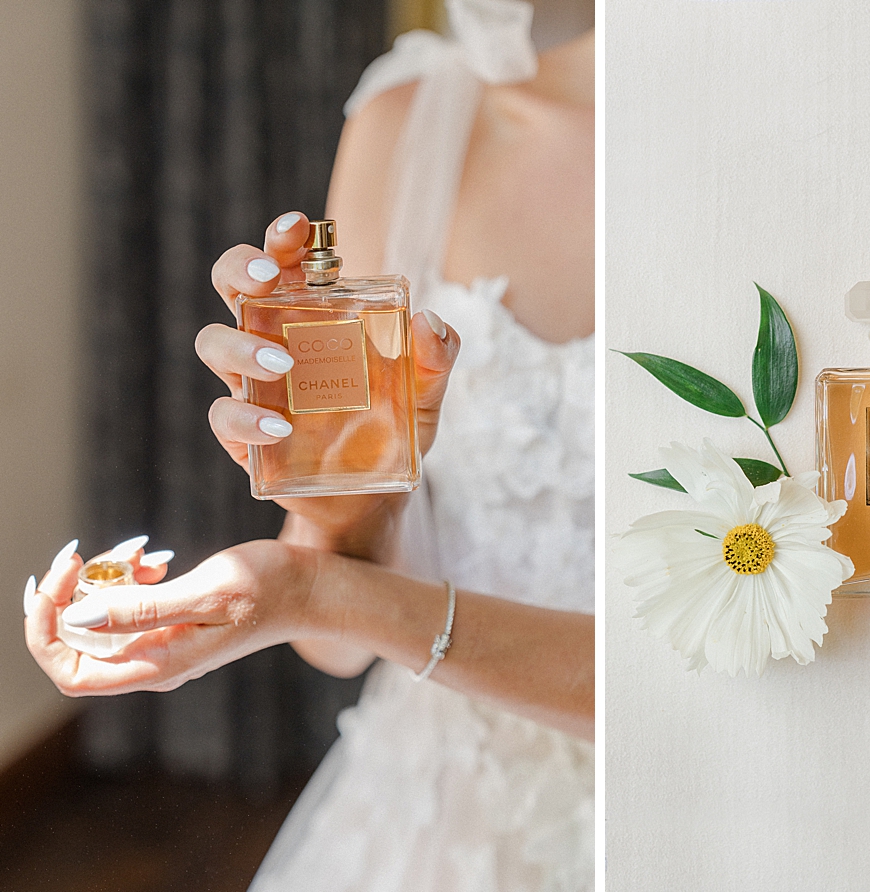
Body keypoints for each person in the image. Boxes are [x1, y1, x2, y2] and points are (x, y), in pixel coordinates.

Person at [24, 0, 595, 888]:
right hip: (443, 817)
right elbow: (336, 647)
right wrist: (333, 519)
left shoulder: (814, 139)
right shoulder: (413, 121)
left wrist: (313, 595)